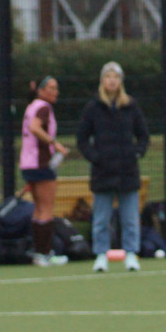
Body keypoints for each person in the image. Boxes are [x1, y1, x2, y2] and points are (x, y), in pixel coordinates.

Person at [77, 61, 149, 273]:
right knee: (101, 218)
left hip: (127, 172)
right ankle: (100, 255)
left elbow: (143, 135)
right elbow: (82, 138)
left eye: (115, 77)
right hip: (103, 172)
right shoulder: (93, 107)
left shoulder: (131, 106)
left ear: (120, 81)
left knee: (130, 218)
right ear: (102, 81)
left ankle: (131, 255)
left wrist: (136, 153)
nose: (112, 81)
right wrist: (95, 157)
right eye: (108, 77)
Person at [19, 76, 70, 267]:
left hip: (28, 163)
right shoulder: (43, 107)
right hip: (41, 164)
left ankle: (40, 254)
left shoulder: (31, 106)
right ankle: (45, 254)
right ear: (41, 90)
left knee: (39, 209)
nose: (55, 92)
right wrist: (55, 144)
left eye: (56, 88)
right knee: (47, 209)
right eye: (51, 88)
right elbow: (34, 128)